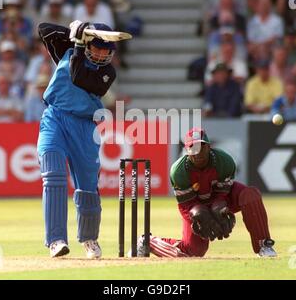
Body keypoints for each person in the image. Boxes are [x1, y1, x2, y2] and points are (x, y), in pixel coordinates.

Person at [37, 20, 117, 258]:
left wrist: (81, 46)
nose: (102, 53)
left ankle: (89, 239)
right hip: (54, 118)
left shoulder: (107, 73)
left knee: (87, 188)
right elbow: (43, 29)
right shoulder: (67, 50)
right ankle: (56, 240)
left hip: (84, 126)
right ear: (89, 43)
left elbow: (79, 77)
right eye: (98, 46)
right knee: (53, 176)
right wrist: (78, 30)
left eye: (107, 49)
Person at [135, 128, 277, 258]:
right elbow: (185, 205)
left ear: (209, 147)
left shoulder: (224, 161)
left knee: (250, 195)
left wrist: (219, 209)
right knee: (193, 252)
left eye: (201, 147)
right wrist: (198, 217)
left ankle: (263, 245)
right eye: (192, 148)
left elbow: (223, 193)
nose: (197, 153)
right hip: (195, 206)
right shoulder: (178, 171)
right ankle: (147, 242)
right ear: (186, 150)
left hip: (222, 199)